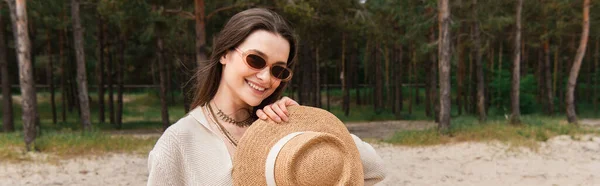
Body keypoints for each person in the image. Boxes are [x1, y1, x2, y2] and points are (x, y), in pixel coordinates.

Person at [147, 8, 385, 186]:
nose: (265, 77)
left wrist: (306, 122)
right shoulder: (178, 143)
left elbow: (374, 169)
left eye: (278, 70)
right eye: (255, 60)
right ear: (224, 54)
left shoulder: (282, 126)